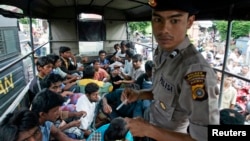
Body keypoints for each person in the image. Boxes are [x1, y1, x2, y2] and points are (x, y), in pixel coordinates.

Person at [123, 0, 220, 141]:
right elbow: (163, 94)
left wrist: (149, 130)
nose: (163, 30)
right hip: (150, 122)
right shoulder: (163, 50)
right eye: (157, 19)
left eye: (174, 20)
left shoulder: (195, 72)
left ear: (190, 22)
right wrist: (139, 94)